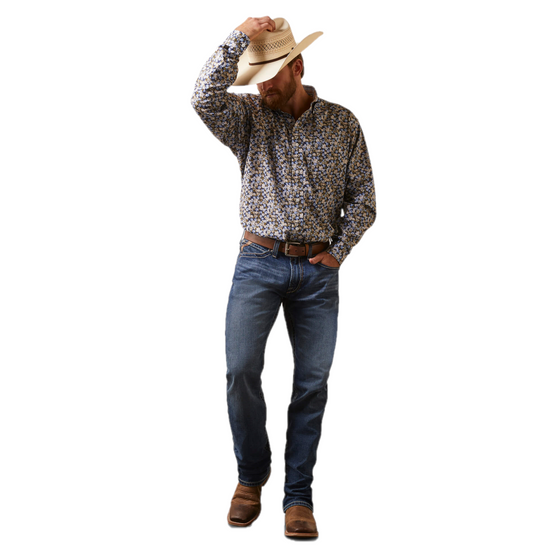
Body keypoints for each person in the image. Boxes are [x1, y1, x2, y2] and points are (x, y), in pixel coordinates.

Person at [191, 16, 376, 538]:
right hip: (258, 262)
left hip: (318, 273)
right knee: (241, 370)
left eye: (271, 73)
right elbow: (202, 97)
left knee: (312, 384)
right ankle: (251, 478)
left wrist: (338, 252)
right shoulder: (249, 118)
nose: (262, 86)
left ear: (298, 67)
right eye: (256, 76)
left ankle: (298, 496)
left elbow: (364, 198)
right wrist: (238, 36)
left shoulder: (342, 123)